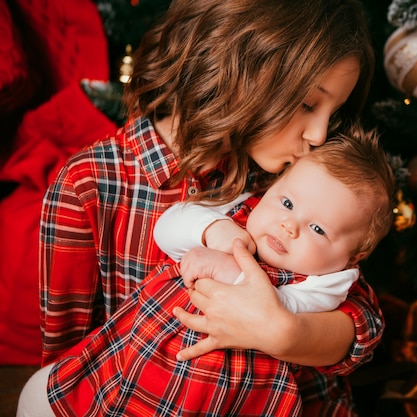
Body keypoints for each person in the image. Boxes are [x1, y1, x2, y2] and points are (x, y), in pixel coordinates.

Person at [20, 0, 382, 415]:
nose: (319, 135)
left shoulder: (291, 177)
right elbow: (70, 368)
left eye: (332, 112)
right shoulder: (89, 187)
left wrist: (285, 333)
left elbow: (362, 317)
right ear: (239, 67)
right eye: (307, 104)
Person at [25, 128, 395, 416]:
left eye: (318, 229)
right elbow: (168, 227)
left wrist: (234, 271)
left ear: (353, 255)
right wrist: (213, 231)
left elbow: (286, 310)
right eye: (286, 203)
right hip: (143, 354)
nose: (290, 226)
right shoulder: (240, 211)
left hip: (228, 394)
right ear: (271, 189)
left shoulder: (331, 281)